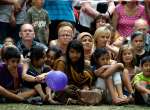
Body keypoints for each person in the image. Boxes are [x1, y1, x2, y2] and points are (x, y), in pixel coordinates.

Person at [53, 40, 101, 105]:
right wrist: (66, 87)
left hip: (78, 90)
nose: (75, 55)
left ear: (81, 53)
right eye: (72, 52)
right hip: (64, 89)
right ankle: (75, 101)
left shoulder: (83, 63)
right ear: (68, 52)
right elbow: (57, 81)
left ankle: (77, 100)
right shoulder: (62, 62)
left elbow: (87, 80)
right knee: (62, 91)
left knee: (97, 92)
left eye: (78, 52)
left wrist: (85, 87)